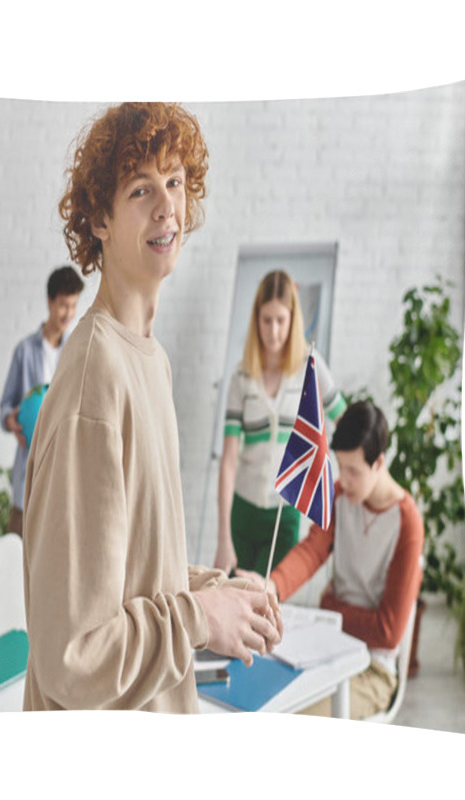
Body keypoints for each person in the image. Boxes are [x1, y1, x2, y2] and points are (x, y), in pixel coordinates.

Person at [22, 102, 282, 712]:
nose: (167, 205)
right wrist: (197, 618)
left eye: (175, 182)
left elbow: (134, 573)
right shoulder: (95, 379)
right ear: (100, 221)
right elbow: (73, 654)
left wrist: (218, 591)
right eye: (141, 189)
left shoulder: (149, 359)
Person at [239, 401, 424, 719]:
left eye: (354, 471)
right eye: (341, 467)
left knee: (298, 716)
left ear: (379, 463)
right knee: (263, 696)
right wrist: (272, 586)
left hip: (373, 669)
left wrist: (332, 607)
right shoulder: (340, 497)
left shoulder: (407, 523)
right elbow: (312, 551)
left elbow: (389, 631)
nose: (345, 479)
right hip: (329, 646)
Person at [215, 270, 346, 576]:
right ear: (256, 321)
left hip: (283, 516)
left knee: (267, 606)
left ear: (293, 320)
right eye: (266, 320)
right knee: (237, 605)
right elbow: (229, 460)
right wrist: (223, 538)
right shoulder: (241, 377)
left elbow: (346, 421)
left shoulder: (309, 367)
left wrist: (344, 483)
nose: (273, 331)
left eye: (281, 320)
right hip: (242, 513)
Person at [0, 265, 84, 535]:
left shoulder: (76, 353)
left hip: (61, 475)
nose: (68, 314)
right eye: (62, 305)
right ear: (49, 302)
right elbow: (5, 405)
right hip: (28, 473)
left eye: (73, 306)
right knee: (16, 551)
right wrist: (10, 420)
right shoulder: (25, 352)